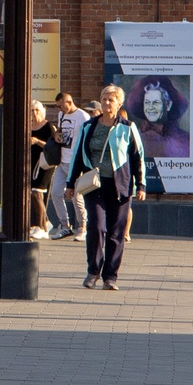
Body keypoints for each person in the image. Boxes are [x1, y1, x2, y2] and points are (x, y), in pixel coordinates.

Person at [66, 84, 146, 290]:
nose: (106, 103)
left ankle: (110, 276)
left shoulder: (127, 127)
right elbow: (77, 156)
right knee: (95, 226)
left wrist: (141, 185)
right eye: (104, 99)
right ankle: (93, 271)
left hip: (120, 186)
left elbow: (138, 158)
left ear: (119, 103)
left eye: (111, 100)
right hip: (95, 184)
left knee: (115, 232)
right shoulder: (89, 126)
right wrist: (70, 183)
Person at [44, 94, 88, 241]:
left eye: (61, 106)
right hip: (62, 160)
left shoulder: (83, 116)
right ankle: (64, 225)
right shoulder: (62, 114)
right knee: (56, 192)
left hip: (74, 162)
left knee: (76, 196)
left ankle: (83, 227)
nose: (59, 109)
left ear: (70, 102)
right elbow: (60, 131)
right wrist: (57, 135)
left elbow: (87, 138)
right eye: (57, 106)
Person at [25, 100, 60, 238]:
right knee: (30, 194)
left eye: (37, 110)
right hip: (30, 163)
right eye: (32, 110)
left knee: (37, 193)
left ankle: (42, 227)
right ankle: (41, 222)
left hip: (44, 163)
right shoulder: (28, 126)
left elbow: (54, 146)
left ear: (42, 111)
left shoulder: (48, 127)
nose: (34, 113)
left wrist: (37, 141)